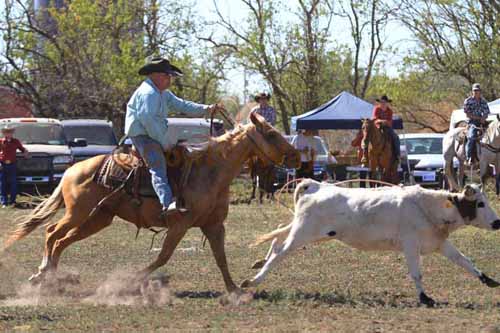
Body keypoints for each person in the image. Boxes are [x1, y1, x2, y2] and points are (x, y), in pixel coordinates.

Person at [125, 57, 218, 219]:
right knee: (158, 165)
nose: (170, 80)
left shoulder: (161, 93)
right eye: (167, 76)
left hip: (155, 133)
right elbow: (148, 121)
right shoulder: (149, 93)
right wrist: (164, 142)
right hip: (143, 136)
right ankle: (167, 204)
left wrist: (206, 109)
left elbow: (182, 105)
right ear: (157, 75)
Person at [0, 125, 29, 208]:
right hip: (3, 165)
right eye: (6, 132)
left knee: (13, 183)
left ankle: (13, 201)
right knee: (2, 184)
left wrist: (26, 153)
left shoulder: (16, 141)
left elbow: (22, 149)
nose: (8, 133)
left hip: (12, 165)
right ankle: (4, 202)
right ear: (4, 133)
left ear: (12, 133)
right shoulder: (1, 141)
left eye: (10, 132)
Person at [464, 83, 490, 164]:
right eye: (474, 90)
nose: (476, 92)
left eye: (477, 90)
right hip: (472, 122)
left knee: (493, 133)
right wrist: (479, 118)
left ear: (480, 91)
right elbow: (467, 114)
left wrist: (484, 117)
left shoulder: (483, 101)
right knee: (471, 137)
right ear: (472, 91)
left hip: (482, 121)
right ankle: (468, 157)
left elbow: (486, 112)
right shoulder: (468, 101)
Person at [372, 95, 400, 164]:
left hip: (387, 127)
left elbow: (390, 122)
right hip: (377, 127)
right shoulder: (377, 109)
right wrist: (381, 121)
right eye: (381, 102)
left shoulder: (389, 111)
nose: (383, 104)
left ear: (387, 103)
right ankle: (365, 155)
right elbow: (375, 118)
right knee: (367, 136)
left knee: (396, 137)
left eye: (384, 102)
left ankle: (397, 155)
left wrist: (385, 122)